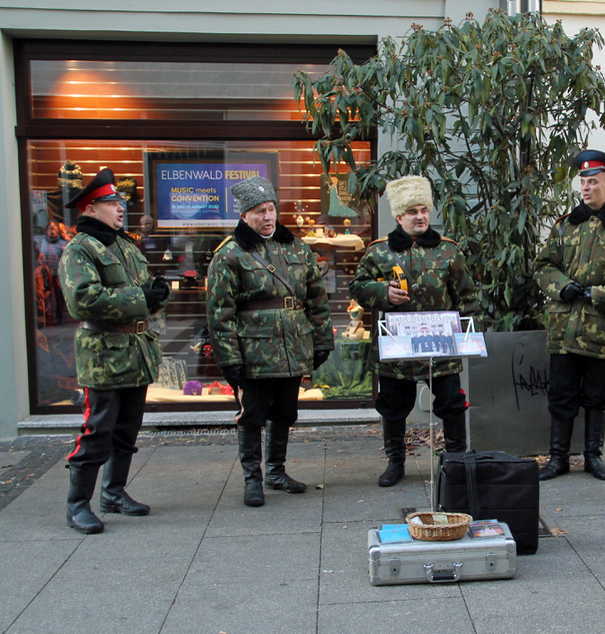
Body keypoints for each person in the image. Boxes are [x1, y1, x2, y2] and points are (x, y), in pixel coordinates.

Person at [206, 176, 333, 507]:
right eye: (260, 211)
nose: (268, 217)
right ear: (245, 216)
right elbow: (220, 313)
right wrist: (229, 359)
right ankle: (253, 478)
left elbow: (317, 298)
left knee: (285, 412)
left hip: (293, 347)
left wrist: (322, 339)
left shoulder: (296, 247)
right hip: (254, 351)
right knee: (252, 415)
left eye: (271, 209)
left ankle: (276, 471)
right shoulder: (229, 255)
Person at [58, 168, 171, 534]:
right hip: (103, 353)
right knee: (98, 429)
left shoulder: (123, 244)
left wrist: (155, 292)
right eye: (111, 203)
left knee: (127, 428)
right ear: (90, 208)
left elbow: (139, 287)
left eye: (120, 202)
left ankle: (114, 492)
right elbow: (83, 300)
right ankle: (78, 505)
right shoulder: (79, 249)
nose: (120, 208)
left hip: (135, 351)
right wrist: (141, 298)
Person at [349, 175, 480, 487]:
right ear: (398, 217)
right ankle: (396, 463)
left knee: (451, 402)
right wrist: (383, 292)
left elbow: (467, 295)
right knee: (394, 407)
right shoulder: (379, 252)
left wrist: (470, 337)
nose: (420, 216)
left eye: (424, 210)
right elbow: (358, 287)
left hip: (440, 343)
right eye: (412, 212)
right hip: (397, 347)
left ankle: (456, 461)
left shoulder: (449, 251)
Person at [534, 150, 605, 481]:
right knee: (561, 394)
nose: (585, 188)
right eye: (582, 182)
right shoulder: (566, 225)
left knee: (596, 397)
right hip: (564, 327)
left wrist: (598, 294)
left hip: (603, 329)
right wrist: (562, 286)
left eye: (593, 182)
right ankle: (558, 458)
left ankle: (593, 456)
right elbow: (542, 266)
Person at [35, 221, 69, 325]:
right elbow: (40, 255)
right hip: (45, 275)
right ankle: (47, 316)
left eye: (54, 228)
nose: (52, 231)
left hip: (57, 274)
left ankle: (60, 316)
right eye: (50, 228)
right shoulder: (43, 242)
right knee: (45, 295)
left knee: (59, 295)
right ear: (47, 230)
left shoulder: (62, 243)